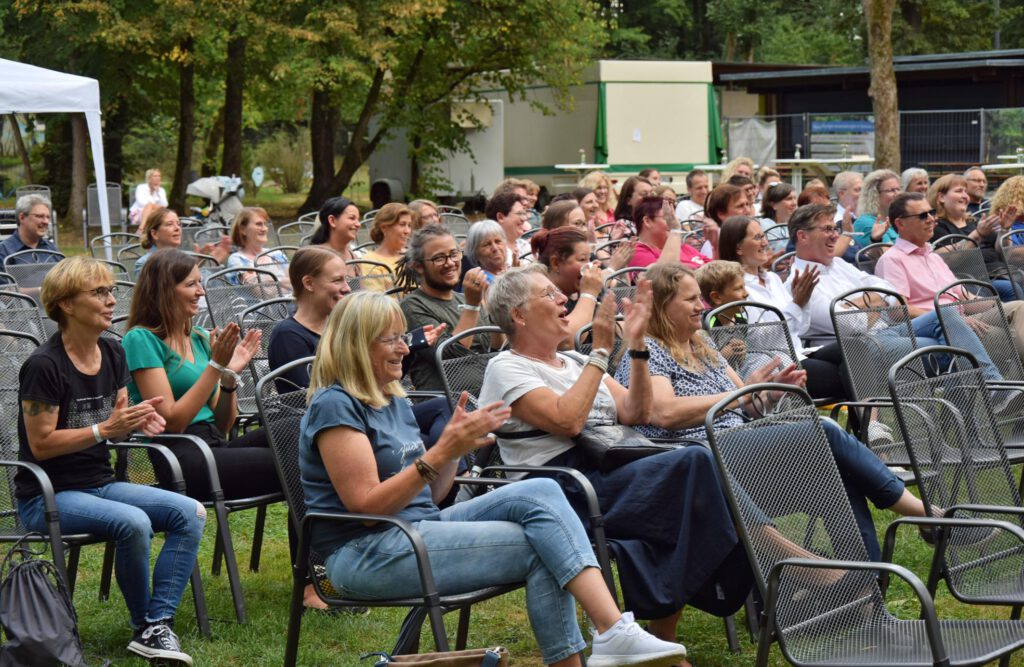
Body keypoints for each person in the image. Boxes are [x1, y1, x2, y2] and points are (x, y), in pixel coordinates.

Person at [301, 290, 687, 667]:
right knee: (544, 547)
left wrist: (451, 453)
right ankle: (608, 635)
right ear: (356, 344)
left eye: (403, 337)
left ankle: (611, 632)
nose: (405, 348)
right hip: (365, 553)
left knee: (541, 490)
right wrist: (439, 451)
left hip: (417, 528)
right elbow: (367, 509)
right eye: (392, 340)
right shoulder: (335, 406)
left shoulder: (392, 399)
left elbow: (432, 496)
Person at [480, 266, 754, 649]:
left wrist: (638, 345)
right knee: (694, 467)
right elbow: (568, 420)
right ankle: (744, 572)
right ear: (519, 315)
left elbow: (636, 411)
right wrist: (601, 352)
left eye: (561, 293)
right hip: (561, 489)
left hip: (610, 469)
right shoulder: (507, 367)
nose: (564, 299)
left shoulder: (573, 361)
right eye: (549, 294)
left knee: (694, 466)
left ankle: (663, 629)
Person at [615, 262, 930, 561]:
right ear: (663, 306)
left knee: (836, 475)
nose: (701, 306)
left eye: (700, 297)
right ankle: (923, 513)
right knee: (822, 429)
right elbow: (666, 413)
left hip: (740, 450)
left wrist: (767, 394)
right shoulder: (647, 352)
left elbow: (745, 405)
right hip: (701, 461)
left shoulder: (702, 346)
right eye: (690, 299)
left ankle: (865, 588)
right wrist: (741, 395)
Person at [16, 257, 203, 665]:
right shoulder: (44, 366)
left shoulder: (113, 352)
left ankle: (158, 622)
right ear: (66, 305)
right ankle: (145, 626)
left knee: (190, 512)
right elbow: (41, 444)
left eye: (110, 291)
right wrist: (105, 430)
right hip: (46, 495)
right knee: (133, 522)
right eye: (98, 292)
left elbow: (118, 419)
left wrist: (138, 421)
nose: (110, 300)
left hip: (99, 482)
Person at [122, 249, 286, 513]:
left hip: (214, 445)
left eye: (200, 282)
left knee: (297, 430)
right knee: (289, 459)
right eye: (191, 284)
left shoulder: (198, 337)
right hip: (180, 457)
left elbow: (222, 425)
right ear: (164, 290)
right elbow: (173, 422)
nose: (202, 291)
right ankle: (317, 550)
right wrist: (215, 365)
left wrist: (229, 376)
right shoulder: (141, 339)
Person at [787, 203, 1009, 390]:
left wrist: (861, 302)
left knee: (948, 316)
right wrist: (876, 299)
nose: (836, 235)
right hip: (859, 349)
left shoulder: (839, 265)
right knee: (954, 347)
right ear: (802, 236)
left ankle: (989, 394)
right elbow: (852, 325)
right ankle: (987, 395)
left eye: (834, 228)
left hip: (889, 330)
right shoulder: (799, 283)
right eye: (827, 229)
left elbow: (890, 291)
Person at [716, 214, 853, 401]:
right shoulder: (738, 288)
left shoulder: (772, 278)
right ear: (738, 247)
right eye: (757, 238)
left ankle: (869, 424)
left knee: (856, 348)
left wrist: (801, 303)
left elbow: (800, 328)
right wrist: (796, 304)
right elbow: (760, 339)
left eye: (764, 236)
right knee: (852, 374)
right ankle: (868, 423)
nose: (765, 242)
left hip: (798, 353)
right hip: (774, 362)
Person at [876, 192, 1024, 360]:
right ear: (900, 223)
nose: (932, 219)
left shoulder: (933, 256)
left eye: (932, 213)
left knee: (1018, 308)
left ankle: (1011, 385)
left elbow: (966, 299)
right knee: (1002, 334)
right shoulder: (891, 260)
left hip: (960, 317)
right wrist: (951, 318)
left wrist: (999, 306)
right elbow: (898, 310)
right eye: (923, 215)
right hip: (935, 323)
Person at [399, 226, 498, 392]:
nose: (450, 263)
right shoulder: (412, 306)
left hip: (487, 391)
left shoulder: (465, 298)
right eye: (439, 258)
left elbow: (495, 348)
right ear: (418, 266)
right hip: (448, 400)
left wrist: (496, 307)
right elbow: (451, 358)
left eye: (454, 254)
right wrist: (472, 306)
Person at [268, 246, 351, 391]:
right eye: (337, 280)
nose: (347, 288)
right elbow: (310, 394)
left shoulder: (342, 324)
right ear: (309, 283)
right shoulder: (287, 335)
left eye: (346, 280)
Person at [532, 226, 603, 345]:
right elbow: (566, 341)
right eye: (582, 259)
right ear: (555, 263)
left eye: (589, 260)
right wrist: (589, 294)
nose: (588, 267)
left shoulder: (576, 296)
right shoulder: (540, 295)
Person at [136, 207, 231, 276]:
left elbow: (203, 291)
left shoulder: (184, 258)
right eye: (169, 224)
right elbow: (169, 291)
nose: (177, 228)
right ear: (155, 234)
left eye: (178, 224)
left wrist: (211, 264)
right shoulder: (145, 264)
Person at [629, 196, 712, 270]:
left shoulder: (684, 247)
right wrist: (675, 230)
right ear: (647, 221)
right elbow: (665, 277)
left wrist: (715, 244)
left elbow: (717, 270)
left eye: (673, 217)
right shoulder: (637, 252)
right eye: (667, 217)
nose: (674, 221)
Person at [226, 206, 291, 292]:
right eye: (258, 224)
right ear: (243, 229)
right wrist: (281, 281)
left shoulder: (276, 254)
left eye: (265, 224)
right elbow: (260, 293)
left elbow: (295, 283)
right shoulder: (237, 259)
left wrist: (269, 280)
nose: (264, 229)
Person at [0, 193, 60, 265]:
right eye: (40, 216)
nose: (46, 222)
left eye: (48, 217)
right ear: (22, 217)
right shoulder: (4, 252)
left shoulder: (51, 249)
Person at [852, 169, 901, 248]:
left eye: (898, 189)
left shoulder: (897, 220)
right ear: (874, 195)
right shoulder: (866, 222)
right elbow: (888, 255)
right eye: (891, 190)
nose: (897, 194)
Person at [362, 202, 413, 274]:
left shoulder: (412, 255)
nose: (407, 231)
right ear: (384, 228)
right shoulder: (371, 262)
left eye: (409, 225)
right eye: (402, 224)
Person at [309, 196, 363, 264]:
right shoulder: (313, 258)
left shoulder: (355, 258)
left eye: (358, 220)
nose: (358, 224)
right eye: (352, 218)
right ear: (332, 221)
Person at [486, 191, 531, 264]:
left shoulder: (524, 245)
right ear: (500, 217)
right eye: (519, 213)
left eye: (524, 213)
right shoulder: (492, 251)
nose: (524, 218)